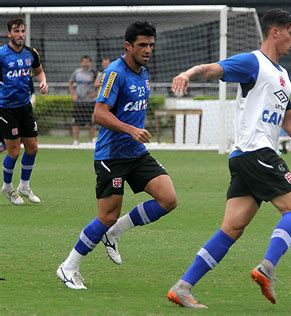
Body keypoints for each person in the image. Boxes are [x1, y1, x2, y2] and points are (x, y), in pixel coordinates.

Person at [167, 8, 291, 309]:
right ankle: (267, 267)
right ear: (274, 32)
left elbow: (287, 119)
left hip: (243, 159)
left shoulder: (283, 77)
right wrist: (188, 73)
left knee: (232, 228)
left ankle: (183, 286)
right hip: (258, 153)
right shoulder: (253, 63)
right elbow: (215, 69)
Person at [56, 21, 178, 290]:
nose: (148, 50)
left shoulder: (144, 73)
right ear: (128, 46)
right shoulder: (115, 73)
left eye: (151, 45)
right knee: (107, 215)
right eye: (142, 45)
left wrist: (134, 134)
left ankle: (114, 234)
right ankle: (68, 266)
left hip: (136, 153)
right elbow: (98, 113)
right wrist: (131, 129)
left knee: (168, 199)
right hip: (111, 156)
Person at [0, 18, 48, 205]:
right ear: (9, 34)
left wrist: (43, 81)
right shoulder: (2, 55)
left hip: (25, 107)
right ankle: (7, 187)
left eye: (22, 31)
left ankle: (24, 186)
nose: (20, 34)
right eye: (16, 31)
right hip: (6, 108)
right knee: (13, 151)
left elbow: (38, 71)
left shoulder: (31, 53)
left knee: (33, 148)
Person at [68, 55, 97, 145]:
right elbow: (70, 83)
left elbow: (100, 84)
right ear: (81, 62)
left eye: (88, 61)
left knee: (92, 122)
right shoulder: (77, 72)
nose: (86, 63)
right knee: (76, 122)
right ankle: (75, 141)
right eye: (84, 61)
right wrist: (73, 94)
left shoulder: (93, 73)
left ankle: (91, 141)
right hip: (79, 101)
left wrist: (95, 93)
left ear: (90, 63)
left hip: (90, 101)